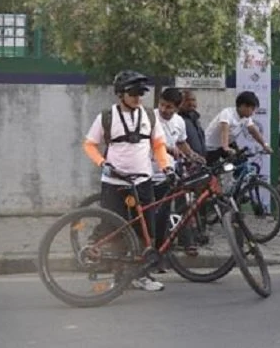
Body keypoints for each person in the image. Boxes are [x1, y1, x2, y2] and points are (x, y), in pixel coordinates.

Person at [82, 70, 172, 292]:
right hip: (114, 183)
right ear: (120, 94)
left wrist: (166, 166)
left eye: (140, 93)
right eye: (133, 93)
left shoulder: (150, 116)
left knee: (145, 231)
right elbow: (89, 144)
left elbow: (159, 145)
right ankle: (119, 276)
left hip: (143, 182)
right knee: (116, 229)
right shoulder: (106, 117)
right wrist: (102, 162)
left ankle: (141, 275)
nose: (137, 97)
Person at [152, 88, 202, 259]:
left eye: (169, 107)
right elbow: (148, 142)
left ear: (177, 107)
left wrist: (193, 155)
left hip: (168, 174)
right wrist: (168, 149)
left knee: (163, 216)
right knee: (148, 216)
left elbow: (181, 142)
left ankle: (160, 254)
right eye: (162, 105)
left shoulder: (179, 122)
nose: (164, 110)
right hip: (147, 173)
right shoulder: (150, 118)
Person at [204, 91, 272, 163]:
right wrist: (226, 147)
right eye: (252, 109)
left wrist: (264, 145)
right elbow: (224, 130)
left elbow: (254, 131)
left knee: (241, 163)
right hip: (211, 147)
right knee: (213, 171)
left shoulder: (246, 118)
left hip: (228, 144)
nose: (253, 112)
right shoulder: (227, 113)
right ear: (243, 106)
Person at [178, 89, 207, 159]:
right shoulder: (178, 120)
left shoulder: (196, 120)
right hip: (187, 162)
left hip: (200, 161)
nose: (191, 103)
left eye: (193, 100)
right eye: (187, 100)